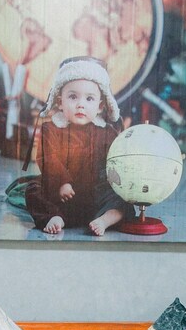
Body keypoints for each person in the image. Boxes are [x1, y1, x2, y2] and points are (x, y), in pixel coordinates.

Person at [25, 57, 134, 236]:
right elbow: (48, 158)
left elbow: (116, 161)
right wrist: (62, 182)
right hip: (62, 196)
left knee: (124, 198)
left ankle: (105, 219)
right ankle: (54, 216)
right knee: (33, 189)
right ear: (60, 102)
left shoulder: (107, 132)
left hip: (96, 196)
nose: (80, 104)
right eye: (73, 97)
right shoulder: (51, 129)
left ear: (100, 106)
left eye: (89, 98)